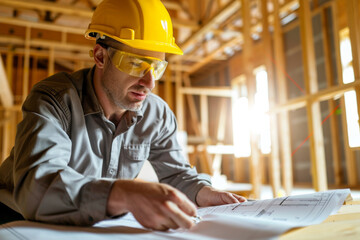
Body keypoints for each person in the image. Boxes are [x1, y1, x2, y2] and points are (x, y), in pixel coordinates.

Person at [0, 0, 246, 230]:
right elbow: (37, 187)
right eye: (136, 64)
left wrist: (204, 191)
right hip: (17, 219)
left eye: (157, 67)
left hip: (88, 223)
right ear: (100, 56)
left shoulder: (157, 114)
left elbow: (175, 174)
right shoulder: (54, 99)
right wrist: (124, 194)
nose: (149, 82)